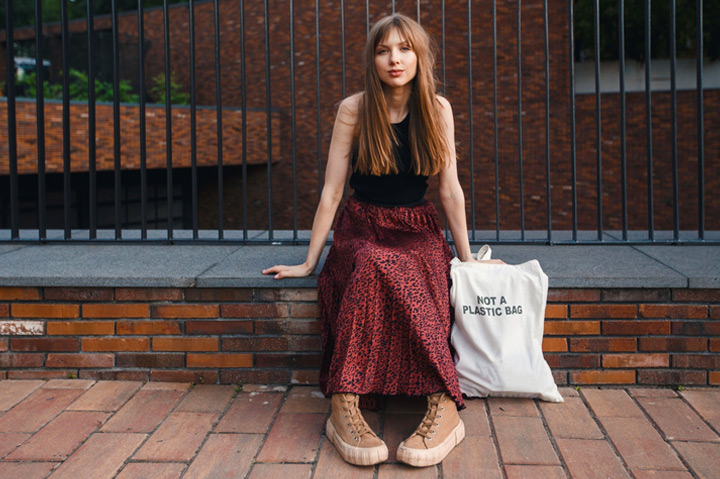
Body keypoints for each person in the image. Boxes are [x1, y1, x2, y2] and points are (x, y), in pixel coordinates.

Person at [263, 13, 498, 468]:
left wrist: (467, 259)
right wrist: (310, 262)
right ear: (373, 58)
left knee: (416, 271)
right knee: (372, 262)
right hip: (363, 226)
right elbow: (333, 191)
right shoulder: (354, 108)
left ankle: (443, 401)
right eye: (384, 50)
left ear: (419, 56)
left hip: (417, 228)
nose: (395, 59)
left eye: (405, 49)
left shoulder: (438, 108)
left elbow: (449, 190)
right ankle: (344, 400)